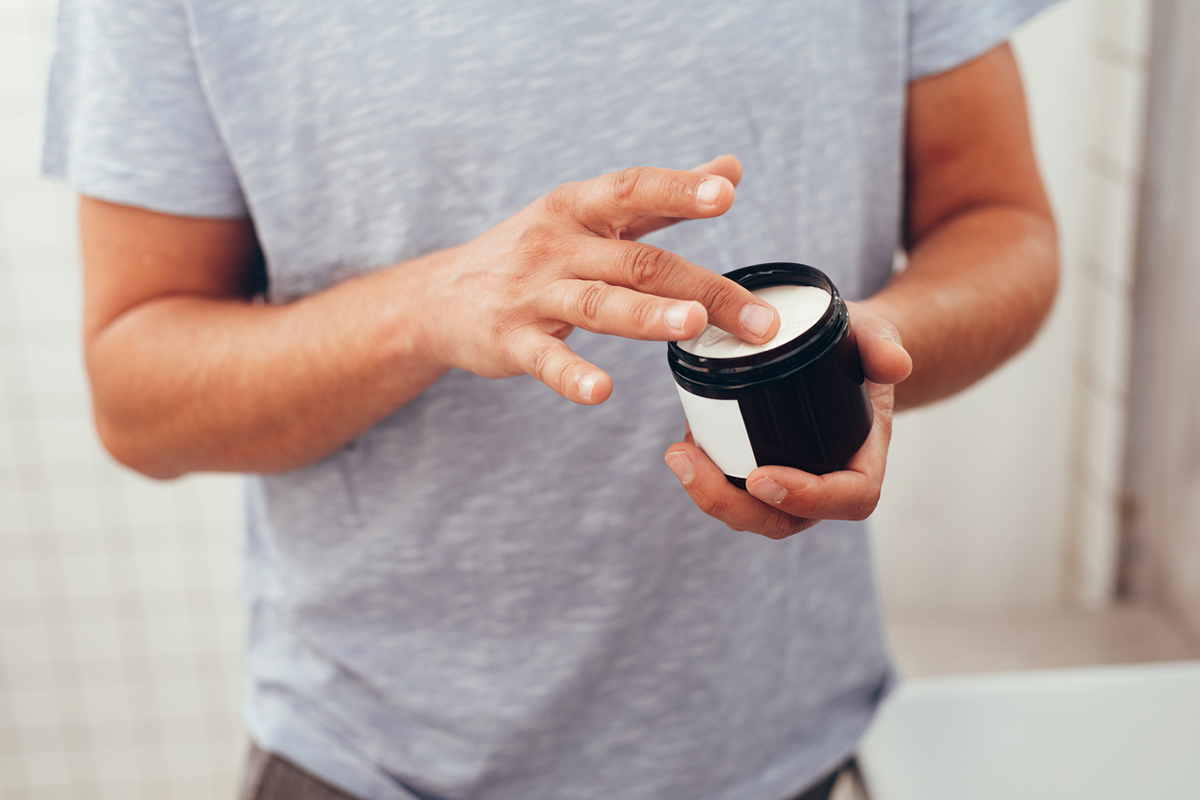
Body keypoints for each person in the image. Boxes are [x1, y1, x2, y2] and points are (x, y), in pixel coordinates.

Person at [43, 0, 1059, 798]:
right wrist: (423, 308)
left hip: (778, 744)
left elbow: (1001, 221)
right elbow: (138, 393)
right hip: (380, 764)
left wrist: (853, 356)